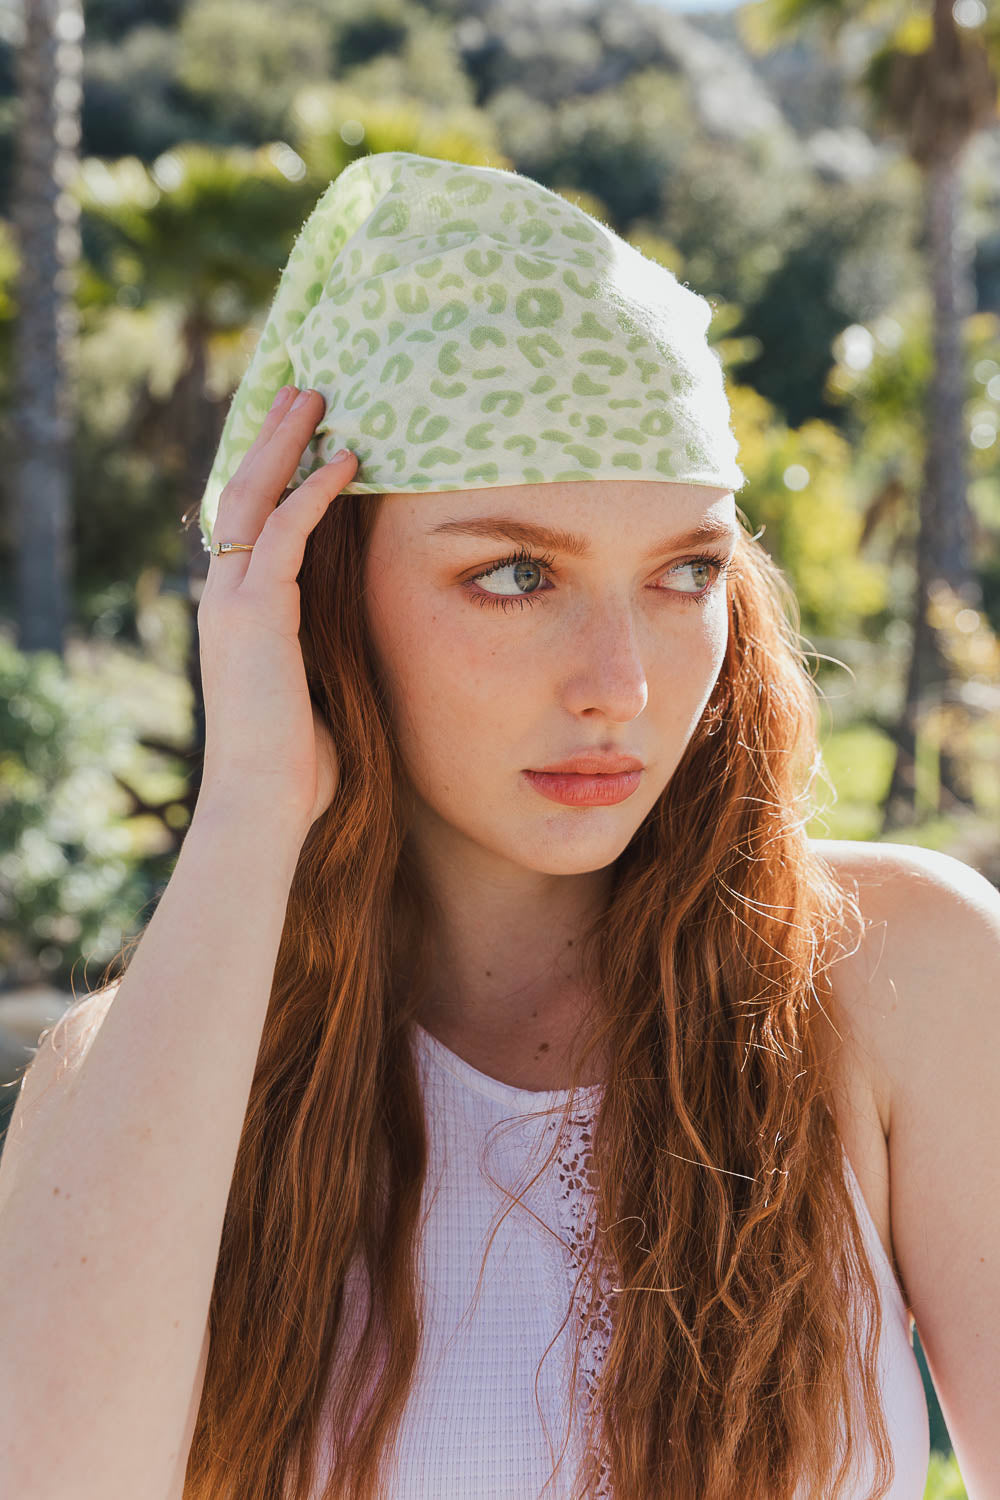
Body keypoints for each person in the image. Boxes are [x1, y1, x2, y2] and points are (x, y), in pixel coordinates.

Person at [0, 152, 997, 1500]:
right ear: (325, 594)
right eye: (515, 575)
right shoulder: (142, 1071)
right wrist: (250, 806)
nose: (622, 686)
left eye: (683, 572)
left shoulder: (899, 976)